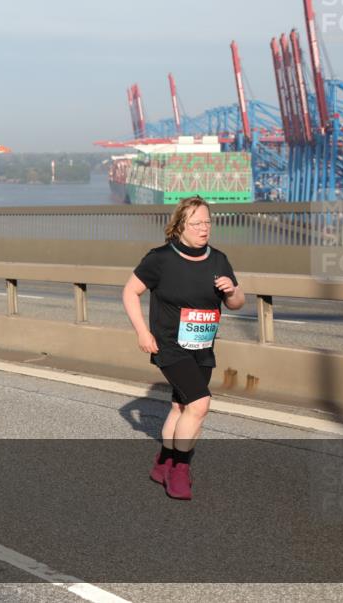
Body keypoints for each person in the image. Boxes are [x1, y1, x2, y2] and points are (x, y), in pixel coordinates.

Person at [122, 195, 245, 501]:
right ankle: (179, 469)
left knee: (181, 406)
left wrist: (231, 291)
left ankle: (163, 461)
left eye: (208, 222)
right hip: (169, 345)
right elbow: (130, 292)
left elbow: (237, 302)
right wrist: (142, 332)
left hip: (202, 346)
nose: (205, 229)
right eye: (197, 223)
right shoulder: (160, 259)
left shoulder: (218, 259)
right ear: (179, 226)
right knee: (200, 404)